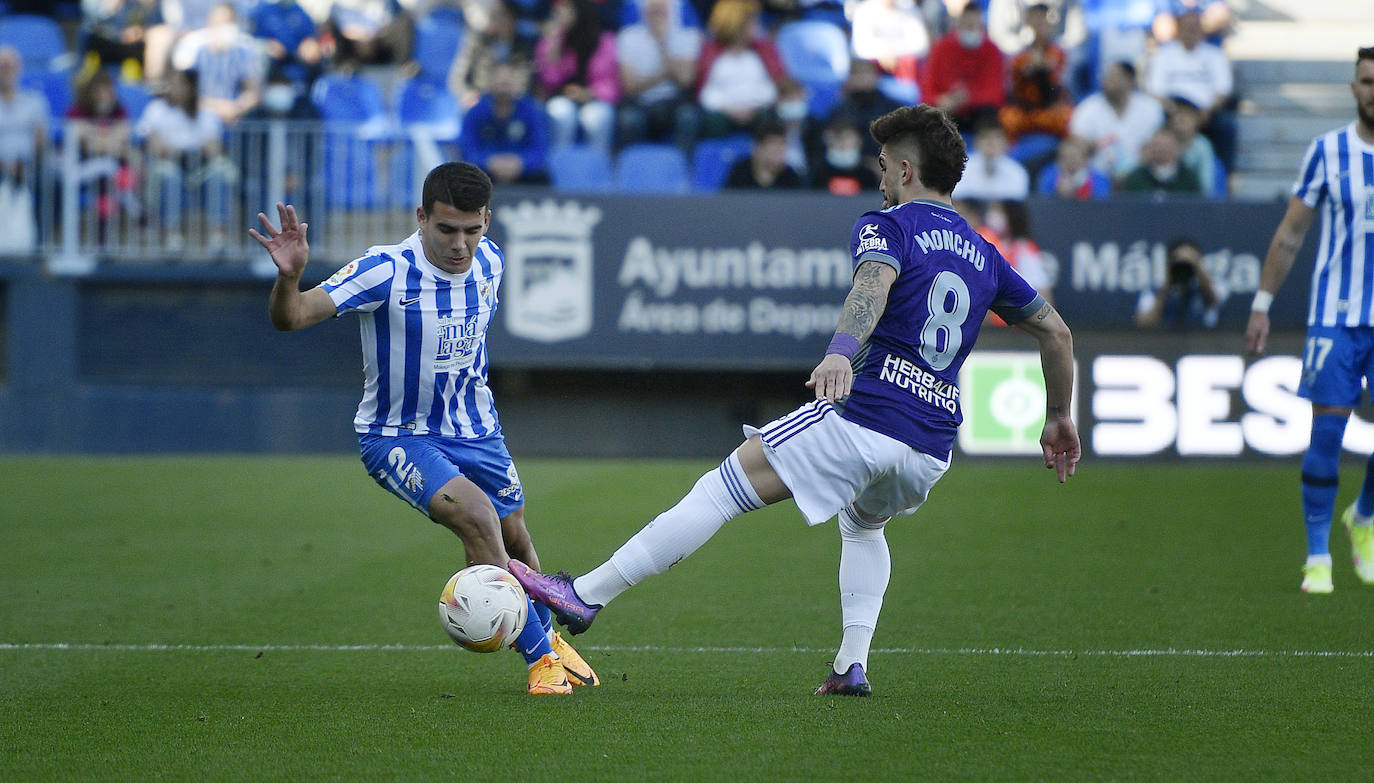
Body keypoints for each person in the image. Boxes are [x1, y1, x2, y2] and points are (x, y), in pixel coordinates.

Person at [508, 104, 1080, 695]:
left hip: (868, 417)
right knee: (863, 525)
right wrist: (1059, 415)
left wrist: (839, 350)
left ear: (906, 171)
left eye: (884, 166)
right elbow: (1056, 332)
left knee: (721, 488)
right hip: (931, 447)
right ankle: (851, 665)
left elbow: (873, 285)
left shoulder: (889, 225)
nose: (880, 178)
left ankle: (586, 595)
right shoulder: (985, 254)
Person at [250, 161, 599, 694]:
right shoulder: (383, 270)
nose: (460, 244)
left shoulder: (493, 262)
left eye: (472, 229)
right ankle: (540, 659)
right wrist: (289, 276)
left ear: (487, 219)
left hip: (477, 427)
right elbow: (291, 317)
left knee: (514, 536)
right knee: (478, 520)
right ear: (420, 217)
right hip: (398, 436)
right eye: (446, 230)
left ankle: (548, 639)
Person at [1245, 48, 1374, 595]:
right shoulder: (1328, 151)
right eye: (1368, 81)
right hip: (1335, 318)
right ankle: (1318, 556)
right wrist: (1262, 303)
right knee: (1328, 434)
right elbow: (1292, 232)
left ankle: (1363, 517)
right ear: (1353, 87)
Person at [614, 0, 703, 154]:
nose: (657, 17)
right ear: (644, 14)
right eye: (653, 12)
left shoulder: (686, 36)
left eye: (661, 12)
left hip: (674, 101)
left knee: (689, 117)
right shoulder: (628, 37)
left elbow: (686, 80)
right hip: (640, 102)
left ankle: (683, 168)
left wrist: (662, 44)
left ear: (670, 14)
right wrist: (664, 74)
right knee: (628, 120)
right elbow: (629, 87)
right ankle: (632, 167)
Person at [535, 0, 620, 154]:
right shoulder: (553, 39)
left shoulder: (606, 41)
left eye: (566, 10)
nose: (560, 14)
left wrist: (589, 94)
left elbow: (613, 86)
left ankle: (597, 165)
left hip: (595, 99)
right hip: (562, 98)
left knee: (597, 116)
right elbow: (549, 80)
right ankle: (559, 165)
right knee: (560, 112)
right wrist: (555, 43)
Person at [1068, 60, 1163, 183]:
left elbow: (1157, 146)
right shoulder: (1087, 108)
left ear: (1130, 81)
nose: (1107, 81)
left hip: (1140, 177)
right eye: (1106, 76)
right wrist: (1090, 145)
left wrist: (1132, 174)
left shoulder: (1150, 108)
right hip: (1096, 178)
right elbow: (1076, 145)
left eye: (1114, 76)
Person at [459, 59, 552, 184]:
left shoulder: (532, 111)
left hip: (523, 174)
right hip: (485, 174)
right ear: (489, 82)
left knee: (542, 176)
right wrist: (489, 162)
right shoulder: (475, 113)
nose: (504, 82)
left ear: (518, 83)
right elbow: (467, 149)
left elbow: (540, 150)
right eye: (499, 78)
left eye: (509, 79)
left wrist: (520, 163)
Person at [920, 2, 1006, 135]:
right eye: (967, 25)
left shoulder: (992, 50)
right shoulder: (942, 49)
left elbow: (995, 93)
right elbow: (928, 88)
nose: (970, 29)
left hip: (979, 113)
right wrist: (942, 100)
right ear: (959, 24)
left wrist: (968, 99)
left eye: (974, 25)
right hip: (948, 110)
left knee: (990, 116)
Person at [1134, 237, 1219, 328]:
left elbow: (1214, 303)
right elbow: (1143, 323)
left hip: (1197, 339)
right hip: (1166, 339)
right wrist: (1166, 287)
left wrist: (1195, 265)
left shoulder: (1202, 290)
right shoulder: (1153, 291)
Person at [952, 119, 1030, 202]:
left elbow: (1016, 204)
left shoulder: (1016, 171)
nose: (991, 143)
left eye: (996, 138)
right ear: (976, 142)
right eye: (985, 138)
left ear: (1006, 143)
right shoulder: (961, 168)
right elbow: (956, 199)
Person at [723, 113, 804, 189]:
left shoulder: (791, 178)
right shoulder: (739, 174)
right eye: (774, 149)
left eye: (782, 149)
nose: (779, 155)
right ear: (758, 149)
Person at [1117, 127, 1202, 196]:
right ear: (1150, 148)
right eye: (1157, 145)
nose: (1162, 150)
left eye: (1166, 146)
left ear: (1177, 149)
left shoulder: (1189, 178)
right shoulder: (1136, 178)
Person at [1035, 135, 1112, 200]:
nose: (1070, 162)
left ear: (1086, 160)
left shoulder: (1100, 179)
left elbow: (1103, 204)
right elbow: (1043, 201)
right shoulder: (1049, 176)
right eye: (1066, 158)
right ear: (1059, 160)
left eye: (1074, 158)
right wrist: (1058, 192)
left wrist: (1079, 191)